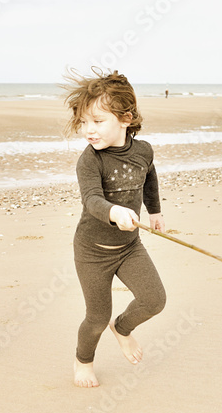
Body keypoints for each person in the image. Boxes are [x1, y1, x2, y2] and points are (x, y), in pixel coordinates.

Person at [62, 69, 166, 387]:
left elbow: (149, 178)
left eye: (97, 121)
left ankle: (122, 328)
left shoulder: (143, 151)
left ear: (125, 118)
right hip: (92, 251)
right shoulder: (90, 161)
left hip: (129, 247)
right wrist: (114, 211)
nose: (88, 130)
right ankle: (83, 361)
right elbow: (92, 199)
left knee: (154, 300)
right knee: (96, 317)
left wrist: (155, 211)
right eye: (83, 122)